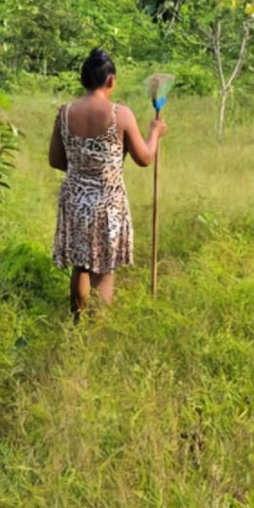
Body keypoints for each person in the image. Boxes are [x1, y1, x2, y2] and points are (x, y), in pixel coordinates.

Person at [49, 48, 167, 322]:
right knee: (104, 267)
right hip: (107, 203)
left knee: (81, 265)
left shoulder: (65, 113)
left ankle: (77, 322)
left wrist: (82, 168)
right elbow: (145, 158)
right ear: (111, 80)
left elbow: (56, 160)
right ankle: (97, 328)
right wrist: (155, 133)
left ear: (83, 80)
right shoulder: (120, 115)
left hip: (75, 200)